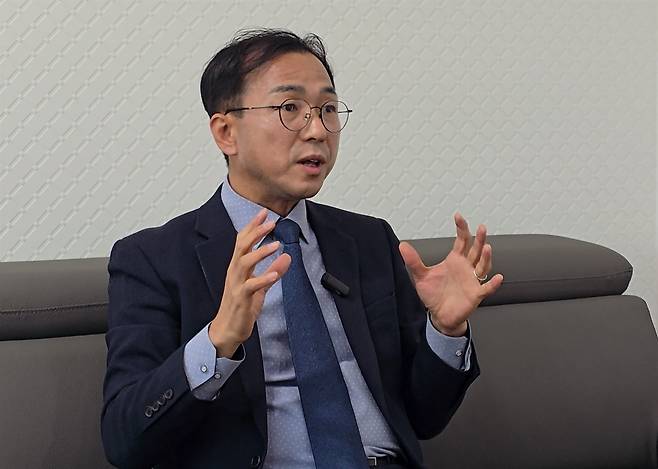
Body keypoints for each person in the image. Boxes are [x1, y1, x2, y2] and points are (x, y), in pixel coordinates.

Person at [101, 29, 504, 469]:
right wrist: (218, 340)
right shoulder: (152, 259)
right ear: (226, 132)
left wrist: (444, 330)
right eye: (289, 108)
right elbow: (125, 440)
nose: (317, 130)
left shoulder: (368, 240)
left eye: (328, 109)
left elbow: (423, 418)